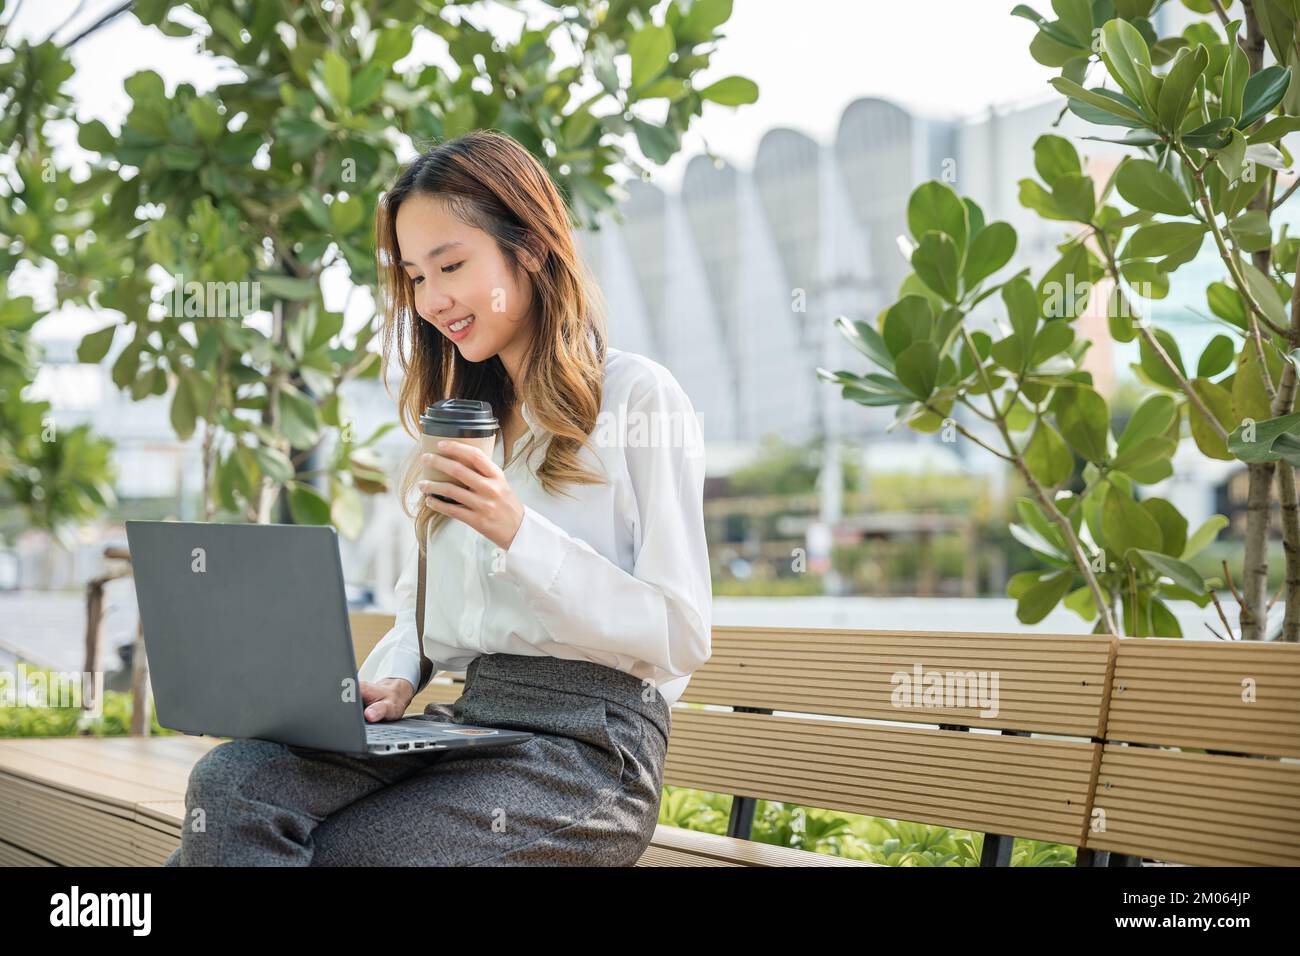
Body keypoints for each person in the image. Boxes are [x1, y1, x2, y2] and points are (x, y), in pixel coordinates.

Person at [164, 129, 713, 866]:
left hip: (590, 748)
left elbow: (681, 633)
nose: (432, 300)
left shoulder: (636, 397)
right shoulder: (461, 420)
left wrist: (519, 532)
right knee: (234, 783)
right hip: (471, 722)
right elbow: (424, 613)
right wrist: (397, 672)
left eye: (451, 264)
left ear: (532, 247)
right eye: (415, 276)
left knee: (343, 854)